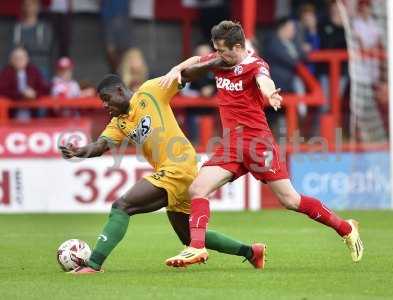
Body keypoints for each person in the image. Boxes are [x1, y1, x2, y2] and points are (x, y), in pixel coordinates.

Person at [160, 20, 363, 267]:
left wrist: (269, 94)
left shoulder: (256, 65)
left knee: (290, 200)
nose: (219, 56)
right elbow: (197, 59)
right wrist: (176, 69)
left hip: (258, 144)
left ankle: (346, 228)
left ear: (238, 47)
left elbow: (263, 80)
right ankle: (196, 248)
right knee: (197, 189)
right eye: (217, 51)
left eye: (223, 51)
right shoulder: (221, 59)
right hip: (231, 145)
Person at [59, 74, 266, 274]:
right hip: (176, 172)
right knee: (188, 236)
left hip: (178, 167)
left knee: (122, 206)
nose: (105, 105)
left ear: (120, 90)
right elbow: (101, 145)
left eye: (107, 99)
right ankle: (251, 252)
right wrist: (79, 151)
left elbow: (184, 76)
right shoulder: (120, 123)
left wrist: (212, 64)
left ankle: (93, 264)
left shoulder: (150, 92)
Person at [0, 46, 49, 121]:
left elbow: (45, 88)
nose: (19, 60)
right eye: (16, 58)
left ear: (27, 59)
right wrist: (21, 94)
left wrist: (34, 93)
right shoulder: (6, 73)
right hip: (12, 113)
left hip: (32, 112)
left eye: (22, 57)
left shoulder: (34, 71)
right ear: (11, 60)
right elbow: (2, 90)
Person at [10, 0, 54, 80]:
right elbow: (14, 48)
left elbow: (45, 47)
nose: (29, 8)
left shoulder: (44, 27)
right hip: (21, 68)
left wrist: (24, 46)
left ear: (38, 7)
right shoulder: (18, 27)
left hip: (41, 67)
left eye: (32, 5)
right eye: (26, 5)